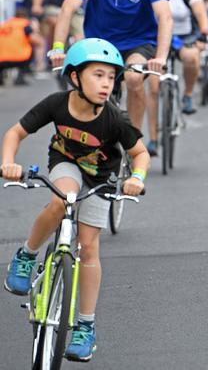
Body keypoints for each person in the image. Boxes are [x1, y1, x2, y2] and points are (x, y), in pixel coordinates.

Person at [1, 38, 149, 362]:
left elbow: (140, 153)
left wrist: (136, 178)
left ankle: (85, 325)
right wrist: (8, 162)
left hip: (101, 177)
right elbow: (15, 133)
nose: (106, 84)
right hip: (66, 163)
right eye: (98, 75)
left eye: (111, 77)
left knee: (89, 246)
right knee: (62, 199)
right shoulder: (56, 103)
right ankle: (26, 255)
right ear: (75, 78)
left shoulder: (114, 118)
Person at [51, 0, 173, 157]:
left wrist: (161, 56)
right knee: (89, 89)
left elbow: (165, 16)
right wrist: (57, 48)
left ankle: (133, 144)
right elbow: (67, 9)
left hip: (139, 41)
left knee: (134, 78)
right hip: (101, 45)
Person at [155, 0, 208, 117]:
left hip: (184, 37)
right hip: (157, 38)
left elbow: (201, 13)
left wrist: (203, 36)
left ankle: (187, 95)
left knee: (192, 57)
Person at [0, 6, 45, 85]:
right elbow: (37, 42)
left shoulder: (5, 24)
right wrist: (36, 30)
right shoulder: (25, 25)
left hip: (2, 59)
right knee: (30, 48)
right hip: (19, 58)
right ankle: (20, 77)